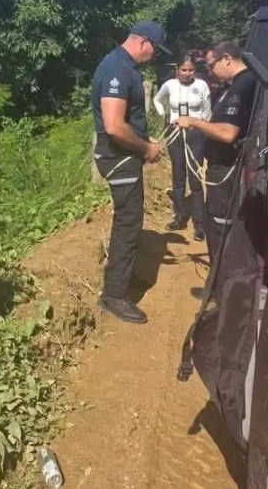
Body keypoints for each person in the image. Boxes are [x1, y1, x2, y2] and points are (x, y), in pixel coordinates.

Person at [92, 20, 170, 324]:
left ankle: (120, 280)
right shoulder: (117, 69)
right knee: (129, 222)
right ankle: (114, 296)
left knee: (131, 219)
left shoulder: (123, 67)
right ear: (144, 42)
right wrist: (145, 148)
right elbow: (114, 126)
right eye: (155, 50)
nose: (155, 56)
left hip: (125, 154)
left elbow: (128, 120)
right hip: (119, 157)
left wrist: (145, 139)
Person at [176, 40, 257, 264]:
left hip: (227, 171)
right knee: (218, 223)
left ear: (227, 59)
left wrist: (194, 121)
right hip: (220, 169)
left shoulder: (244, 85)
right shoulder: (234, 86)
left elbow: (228, 133)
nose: (210, 71)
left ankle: (222, 282)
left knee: (221, 225)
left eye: (212, 65)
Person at [153, 54, 212, 240]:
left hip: (195, 134)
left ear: (195, 70)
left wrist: (200, 126)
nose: (187, 73)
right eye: (183, 70)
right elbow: (157, 100)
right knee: (178, 177)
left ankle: (199, 225)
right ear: (177, 69)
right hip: (174, 132)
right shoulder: (169, 85)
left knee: (195, 179)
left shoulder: (201, 86)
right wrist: (164, 114)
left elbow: (207, 112)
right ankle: (179, 218)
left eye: (191, 70)